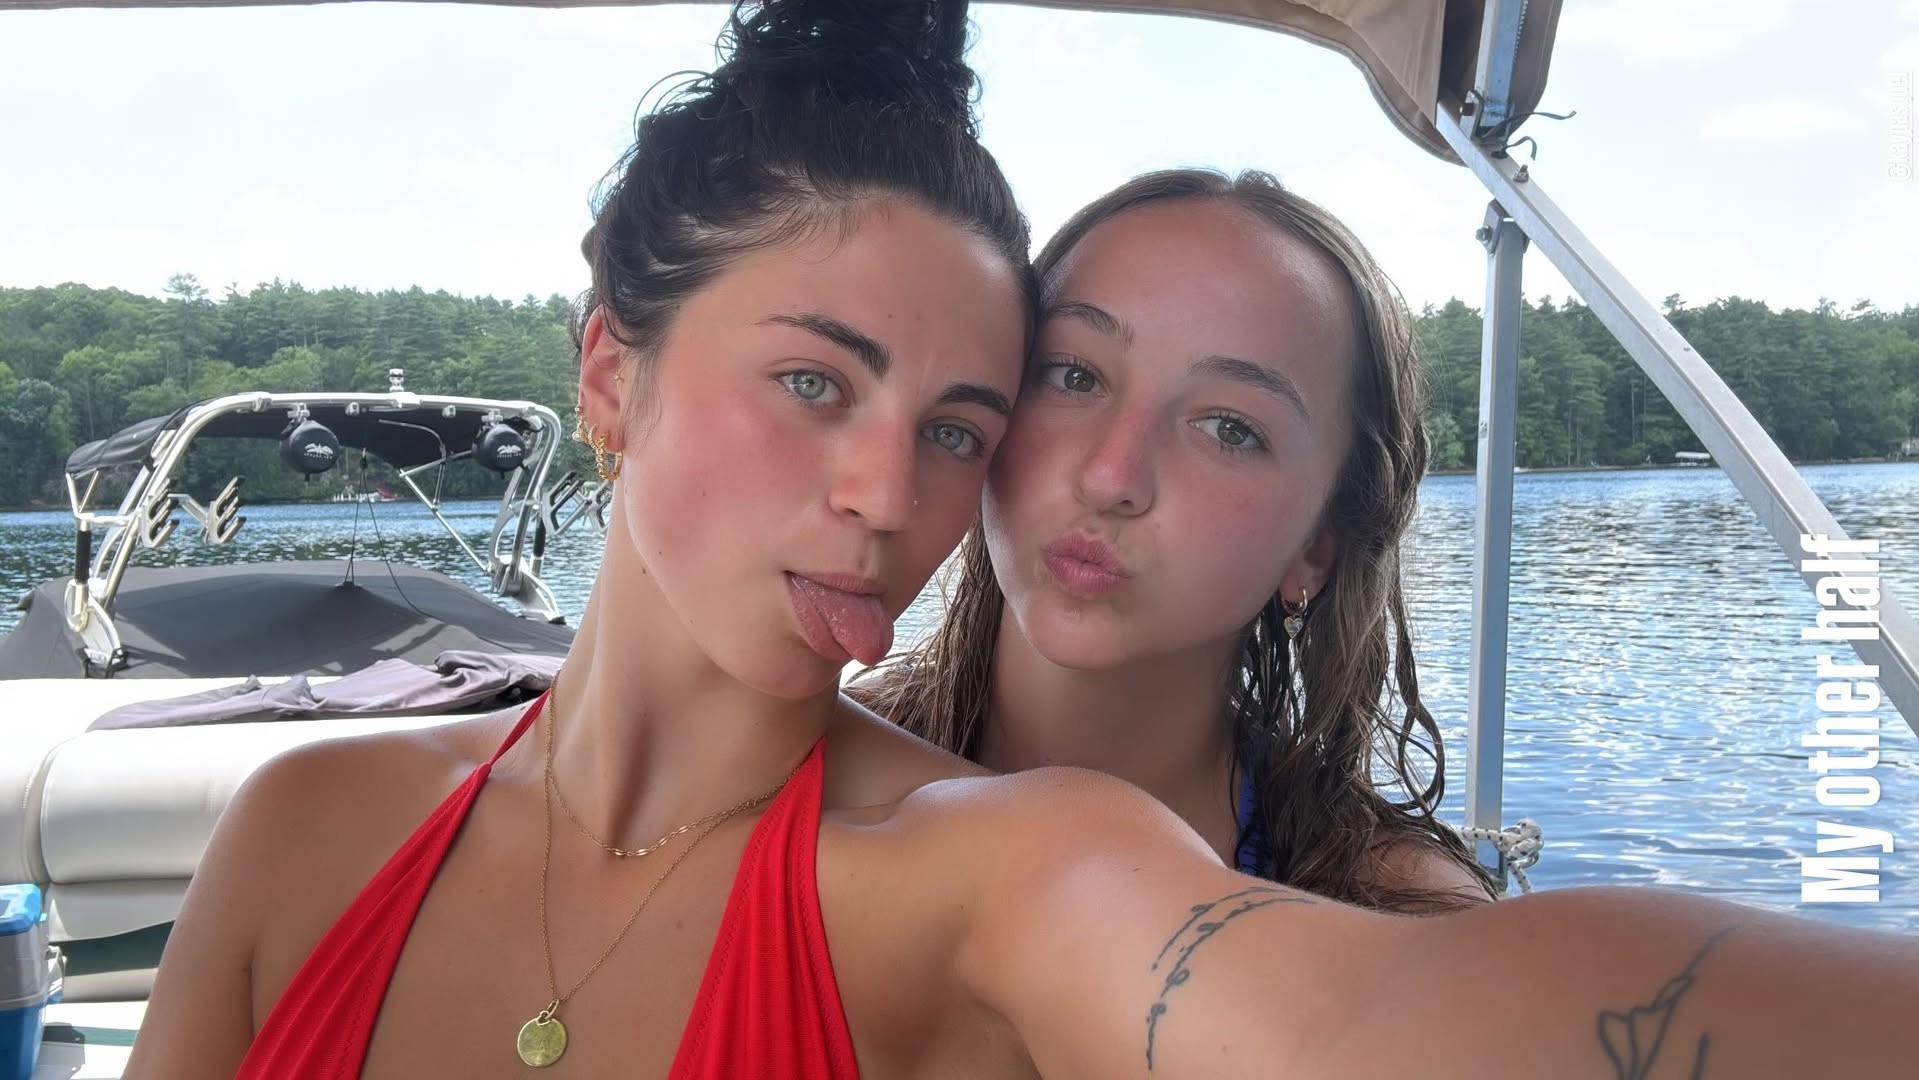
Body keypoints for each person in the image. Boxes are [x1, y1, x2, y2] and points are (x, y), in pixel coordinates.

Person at [131, 3, 1918, 1078]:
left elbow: (1393, 1015)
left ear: (1318, 541)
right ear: (610, 373)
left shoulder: (1003, 869)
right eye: (813, 383)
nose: (885, 492)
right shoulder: (303, 830)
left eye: (951, 425)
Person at [855, 168, 1496, 912]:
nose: (1110, 477)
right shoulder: (784, 782)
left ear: (1317, 546)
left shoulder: (1401, 923)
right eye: (1072, 375)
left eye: (1230, 429)